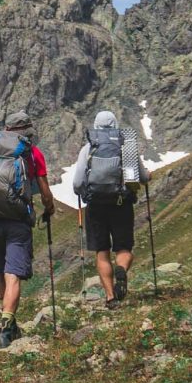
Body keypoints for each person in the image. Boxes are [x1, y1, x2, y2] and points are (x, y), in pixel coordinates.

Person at [0, 110, 56, 348]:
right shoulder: (32, 153)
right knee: (13, 273)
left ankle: (5, 318)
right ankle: (7, 325)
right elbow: (45, 190)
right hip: (17, 220)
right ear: (28, 130)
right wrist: (49, 208)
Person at [71, 110, 149, 309]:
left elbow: (78, 181)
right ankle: (121, 269)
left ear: (96, 126)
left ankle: (110, 298)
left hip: (95, 206)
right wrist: (147, 176)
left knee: (102, 252)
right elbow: (141, 176)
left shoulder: (88, 148)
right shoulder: (125, 146)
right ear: (115, 125)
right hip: (121, 205)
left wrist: (82, 193)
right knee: (124, 248)